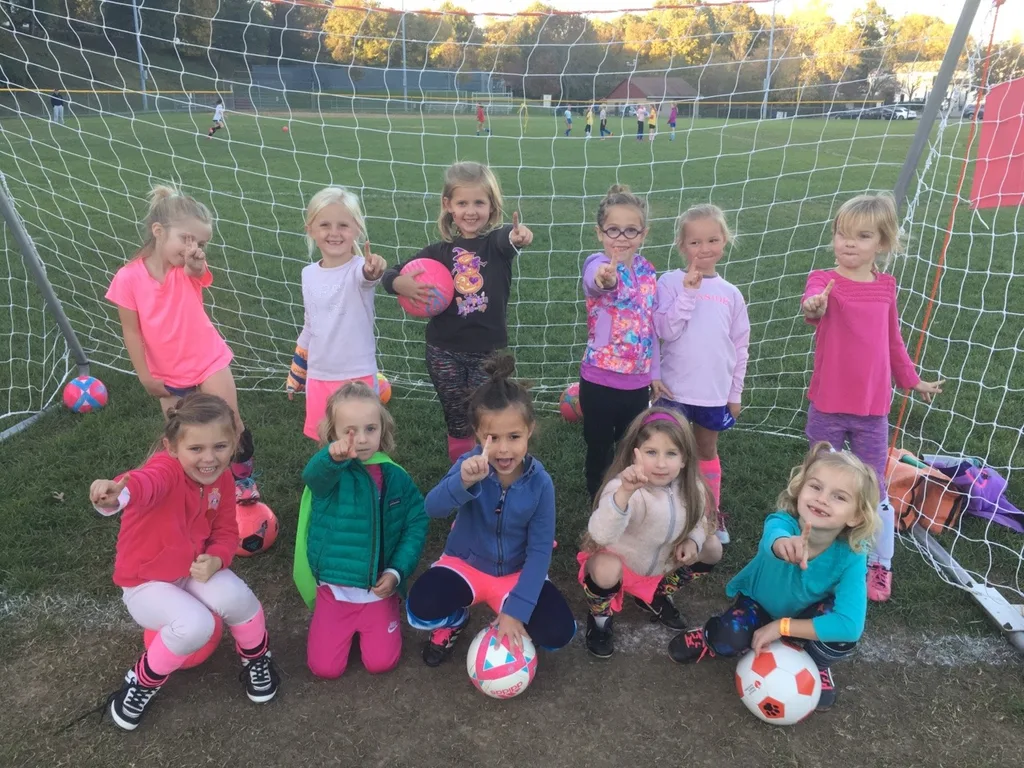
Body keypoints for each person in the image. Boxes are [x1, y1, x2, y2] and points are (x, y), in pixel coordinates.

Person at [90, 393, 279, 731]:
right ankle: (140, 683)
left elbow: (225, 533)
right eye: (196, 449)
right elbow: (143, 482)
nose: (209, 458)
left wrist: (218, 560)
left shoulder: (222, 480)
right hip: (146, 583)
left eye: (220, 447)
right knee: (196, 625)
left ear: (234, 442)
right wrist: (118, 494)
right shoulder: (165, 469)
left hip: (190, 570)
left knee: (240, 598)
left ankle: (257, 659)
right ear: (172, 447)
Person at [801, 193, 944, 601]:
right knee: (821, 481)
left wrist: (911, 379)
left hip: (872, 408)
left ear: (881, 243)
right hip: (828, 403)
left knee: (874, 488)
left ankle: (879, 564)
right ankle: (814, 552)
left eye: (861, 236)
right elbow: (812, 307)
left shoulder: (885, 287)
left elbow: (892, 340)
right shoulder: (823, 280)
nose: (848, 243)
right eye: (842, 234)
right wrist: (815, 305)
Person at [668, 443, 881, 712]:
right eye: (815, 487)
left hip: (804, 615)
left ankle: (815, 665)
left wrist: (782, 627)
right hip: (757, 605)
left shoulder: (853, 554)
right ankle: (707, 637)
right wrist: (784, 545)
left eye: (839, 497)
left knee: (840, 637)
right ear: (800, 489)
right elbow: (773, 540)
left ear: (856, 516)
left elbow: (850, 626)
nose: (822, 499)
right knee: (727, 639)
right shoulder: (782, 523)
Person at [405, 354, 576, 665]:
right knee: (420, 610)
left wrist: (516, 611)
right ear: (477, 435)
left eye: (514, 437)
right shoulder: (468, 467)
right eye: (492, 438)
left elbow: (540, 552)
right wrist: (462, 482)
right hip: (466, 565)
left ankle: (511, 620)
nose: (504, 449)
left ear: (529, 431)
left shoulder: (541, 484)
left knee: (559, 633)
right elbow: (432, 508)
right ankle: (455, 621)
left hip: (516, 573)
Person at [105, 185, 259, 502]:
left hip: (208, 361)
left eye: (200, 242)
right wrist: (146, 377)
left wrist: (195, 260)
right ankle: (199, 488)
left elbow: (196, 269)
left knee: (230, 424)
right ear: (158, 231)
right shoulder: (128, 278)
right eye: (186, 239)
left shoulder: (187, 269)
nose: (194, 247)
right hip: (168, 375)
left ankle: (244, 482)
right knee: (184, 436)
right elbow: (131, 332)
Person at [381, 161, 534, 464]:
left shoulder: (497, 246)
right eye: (462, 203)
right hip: (443, 351)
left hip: (485, 355)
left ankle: (488, 473)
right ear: (448, 205)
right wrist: (400, 284)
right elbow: (391, 274)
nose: (471, 211)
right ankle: (463, 478)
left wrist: (519, 237)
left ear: (492, 206)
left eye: (479, 202)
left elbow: (511, 238)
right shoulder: (437, 252)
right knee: (456, 418)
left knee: (485, 418)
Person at [294, 381, 428, 679]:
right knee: (325, 669)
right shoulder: (329, 475)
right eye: (350, 431)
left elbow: (416, 522)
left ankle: (383, 614)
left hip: (377, 593)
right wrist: (332, 457)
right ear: (333, 434)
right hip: (335, 592)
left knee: (381, 662)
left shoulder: (395, 476)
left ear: (383, 429)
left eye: (371, 428)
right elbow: (312, 477)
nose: (363, 439)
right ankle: (335, 625)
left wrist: (396, 572)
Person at [579, 408, 722, 658]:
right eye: (651, 452)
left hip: (661, 568)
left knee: (712, 548)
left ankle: (656, 595)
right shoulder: (623, 486)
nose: (661, 463)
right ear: (635, 453)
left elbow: (701, 520)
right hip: (622, 568)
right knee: (605, 569)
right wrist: (624, 494)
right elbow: (600, 534)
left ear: (685, 459)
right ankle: (600, 618)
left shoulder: (692, 488)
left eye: (671, 453)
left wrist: (693, 540)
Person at [654, 204, 749, 544]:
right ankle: (666, 513)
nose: (704, 249)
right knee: (667, 451)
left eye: (712, 240)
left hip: (712, 392)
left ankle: (710, 512)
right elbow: (665, 330)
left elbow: (740, 348)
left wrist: (734, 394)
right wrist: (688, 293)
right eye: (695, 242)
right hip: (674, 390)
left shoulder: (731, 295)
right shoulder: (669, 282)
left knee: (706, 451)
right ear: (682, 246)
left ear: (725, 241)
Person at [578, 184, 664, 499]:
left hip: (637, 385)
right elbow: (596, 281)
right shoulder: (596, 263)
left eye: (631, 230)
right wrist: (605, 278)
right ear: (600, 233)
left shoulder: (647, 271)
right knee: (599, 448)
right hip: (599, 380)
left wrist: (654, 373)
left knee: (630, 449)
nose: (621, 238)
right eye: (613, 230)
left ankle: (626, 499)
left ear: (643, 233)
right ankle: (598, 501)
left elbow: (651, 327)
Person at [285, 187, 387, 440]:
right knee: (326, 440)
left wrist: (374, 269)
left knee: (362, 441)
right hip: (320, 375)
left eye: (343, 225)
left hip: (357, 375)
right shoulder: (308, 274)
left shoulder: (358, 270)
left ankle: (363, 480)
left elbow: (368, 277)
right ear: (310, 229)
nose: (334, 233)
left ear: (356, 229)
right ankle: (330, 480)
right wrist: (297, 370)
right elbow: (310, 326)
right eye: (325, 225)